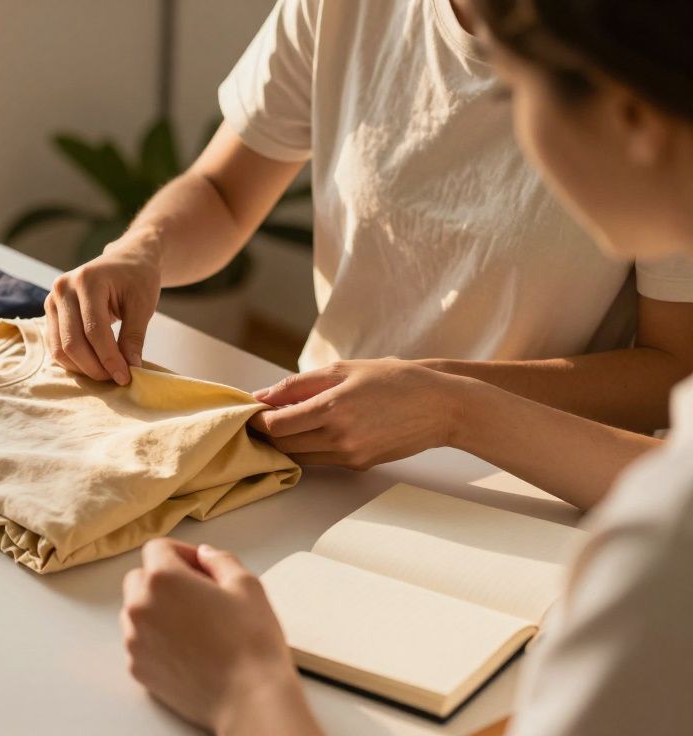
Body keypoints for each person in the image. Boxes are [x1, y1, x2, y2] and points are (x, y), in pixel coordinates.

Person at [120, 1, 693, 734]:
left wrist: (245, 693)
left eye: (515, 94)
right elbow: (225, 189)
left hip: (525, 515)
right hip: (320, 474)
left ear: (630, 115)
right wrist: (143, 248)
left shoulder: (660, 538)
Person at [44, 0, 693, 479]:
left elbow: (673, 368)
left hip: (544, 478)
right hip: (321, 447)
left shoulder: (639, 65)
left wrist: (441, 399)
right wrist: (139, 249)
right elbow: (225, 191)